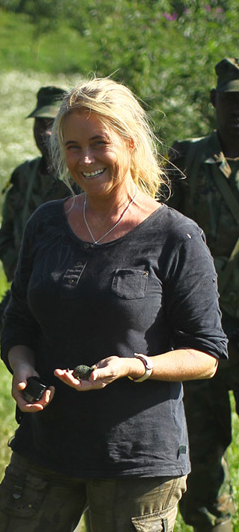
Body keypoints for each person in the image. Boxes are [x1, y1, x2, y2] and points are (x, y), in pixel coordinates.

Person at [0, 77, 229, 532]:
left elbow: (206, 354)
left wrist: (132, 367)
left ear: (131, 143)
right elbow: (19, 319)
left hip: (137, 460)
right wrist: (21, 367)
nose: (85, 160)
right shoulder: (47, 223)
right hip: (47, 447)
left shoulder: (176, 236)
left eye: (99, 143)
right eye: (73, 146)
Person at [166, 57, 239, 532]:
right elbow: (158, 234)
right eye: (230, 101)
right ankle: (208, 520)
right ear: (213, 103)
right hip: (202, 324)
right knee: (202, 432)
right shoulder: (187, 159)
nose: (238, 110)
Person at [0, 86, 77, 282]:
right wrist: (16, 266)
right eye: (40, 124)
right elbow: (4, 234)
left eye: (53, 124)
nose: (46, 132)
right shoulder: (24, 175)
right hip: (23, 287)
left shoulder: (82, 177)